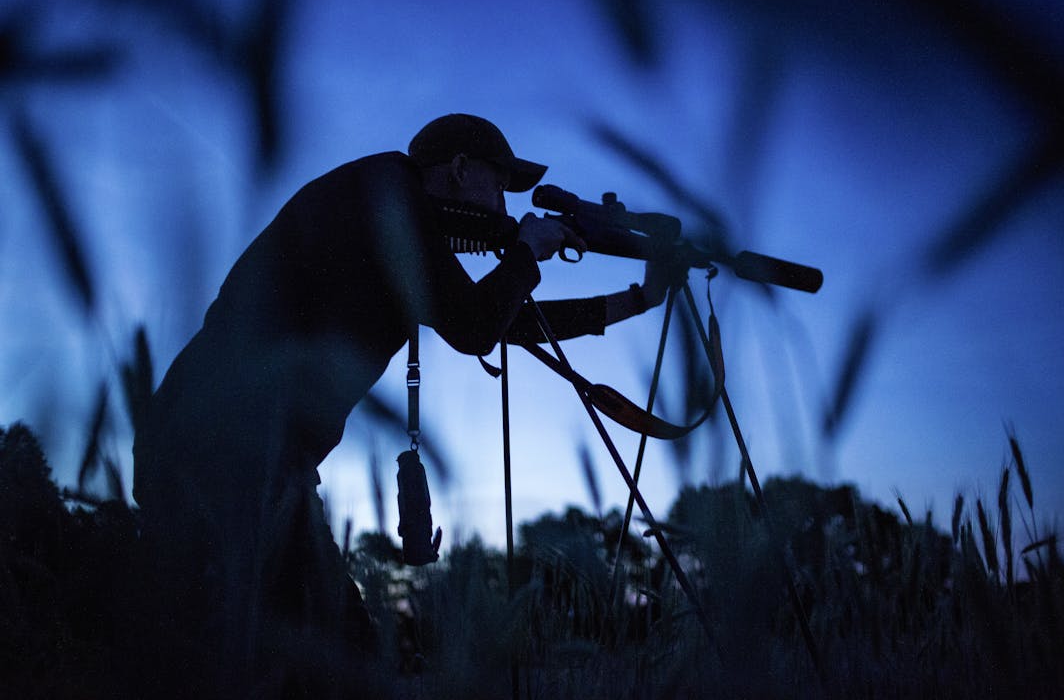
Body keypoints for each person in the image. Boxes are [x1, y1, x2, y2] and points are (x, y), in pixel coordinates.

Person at [132, 113, 681, 696]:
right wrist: (525, 252)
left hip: (237, 455)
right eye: (499, 185)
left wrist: (638, 299)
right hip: (230, 454)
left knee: (293, 660)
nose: (503, 205)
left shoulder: (386, 214)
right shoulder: (388, 196)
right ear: (462, 169)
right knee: (319, 663)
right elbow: (475, 326)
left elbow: (501, 321)